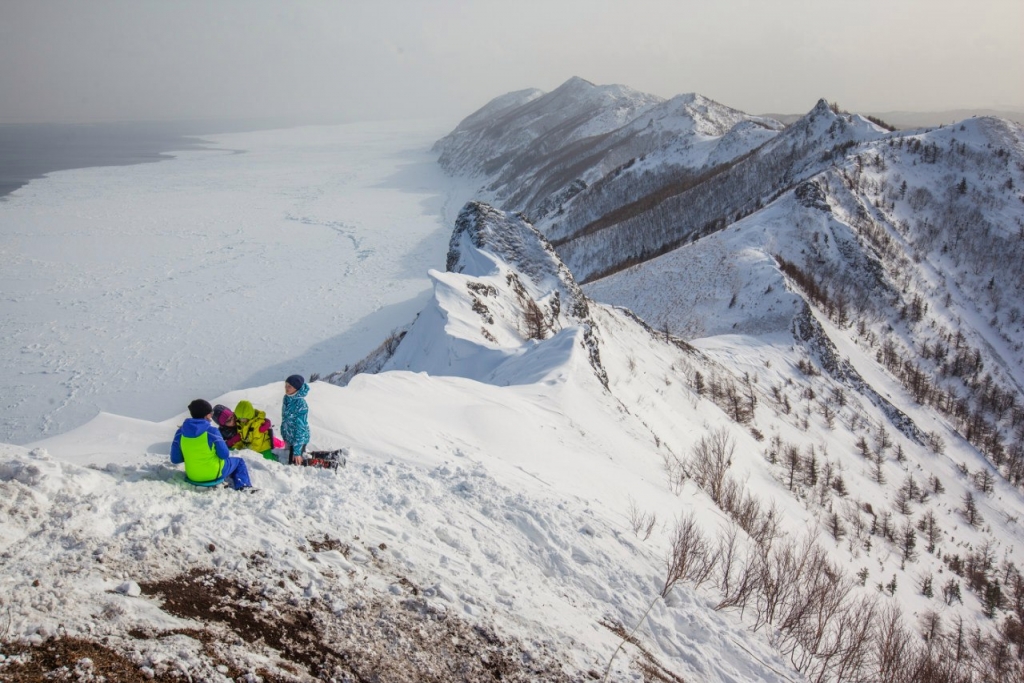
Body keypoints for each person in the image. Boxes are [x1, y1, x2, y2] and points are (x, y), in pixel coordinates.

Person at [171, 399, 254, 491]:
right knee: (239, 462)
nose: (212, 415)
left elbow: (175, 459)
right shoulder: (212, 432)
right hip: (214, 475)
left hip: (193, 476)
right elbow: (224, 455)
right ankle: (244, 486)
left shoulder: (180, 433)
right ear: (207, 415)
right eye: (211, 413)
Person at [281, 374, 310, 465]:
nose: (286, 388)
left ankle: (314, 459)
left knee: (295, 463)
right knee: (288, 460)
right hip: (289, 437)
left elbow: (300, 428)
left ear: (296, 388)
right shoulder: (287, 398)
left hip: (299, 439)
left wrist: (297, 452)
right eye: (286, 385)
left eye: (289, 386)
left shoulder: (301, 404)